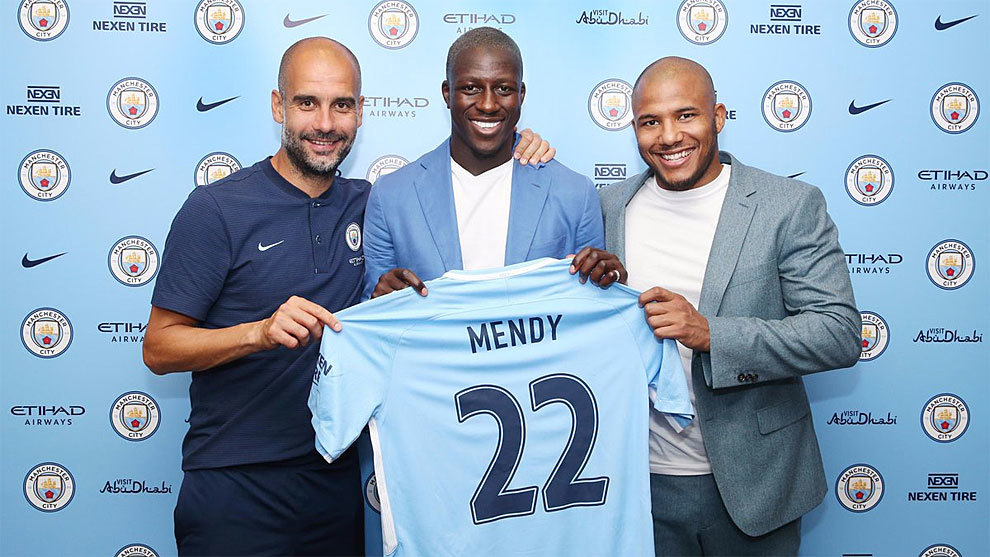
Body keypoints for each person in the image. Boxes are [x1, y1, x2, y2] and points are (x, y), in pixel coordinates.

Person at [142, 36, 552, 556]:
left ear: (360, 112)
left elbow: (462, 181)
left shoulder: (373, 203)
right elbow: (159, 348)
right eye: (306, 103)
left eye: (341, 105)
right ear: (278, 106)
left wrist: (515, 145)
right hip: (237, 483)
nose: (325, 123)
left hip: (340, 481)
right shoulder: (217, 209)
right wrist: (258, 333)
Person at [595, 56, 860, 555]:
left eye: (686, 115)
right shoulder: (607, 208)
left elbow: (838, 333)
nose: (668, 136)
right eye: (650, 122)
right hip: (635, 486)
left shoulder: (788, 205)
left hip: (756, 486)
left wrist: (711, 334)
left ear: (717, 116)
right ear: (634, 130)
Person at [362, 27, 624, 299]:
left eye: (503, 89)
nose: (488, 104)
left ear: (521, 95)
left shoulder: (575, 193)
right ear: (447, 94)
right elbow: (373, 307)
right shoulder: (391, 195)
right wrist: (380, 301)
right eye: (471, 88)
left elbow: (593, 303)